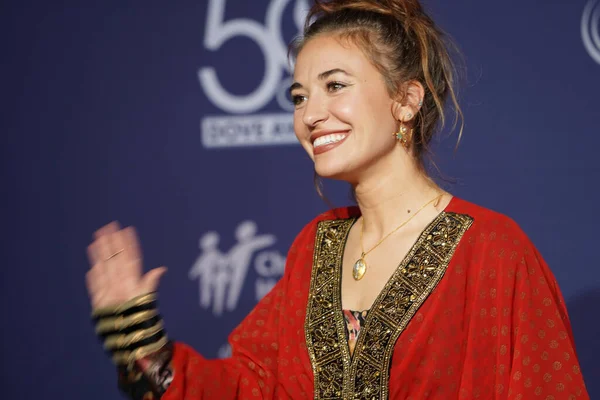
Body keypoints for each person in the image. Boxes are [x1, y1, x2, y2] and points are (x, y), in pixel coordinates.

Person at [85, 0, 590, 398]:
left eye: (335, 86)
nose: (310, 115)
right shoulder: (317, 246)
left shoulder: (493, 252)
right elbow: (250, 389)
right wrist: (141, 342)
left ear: (406, 100)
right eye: (299, 96)